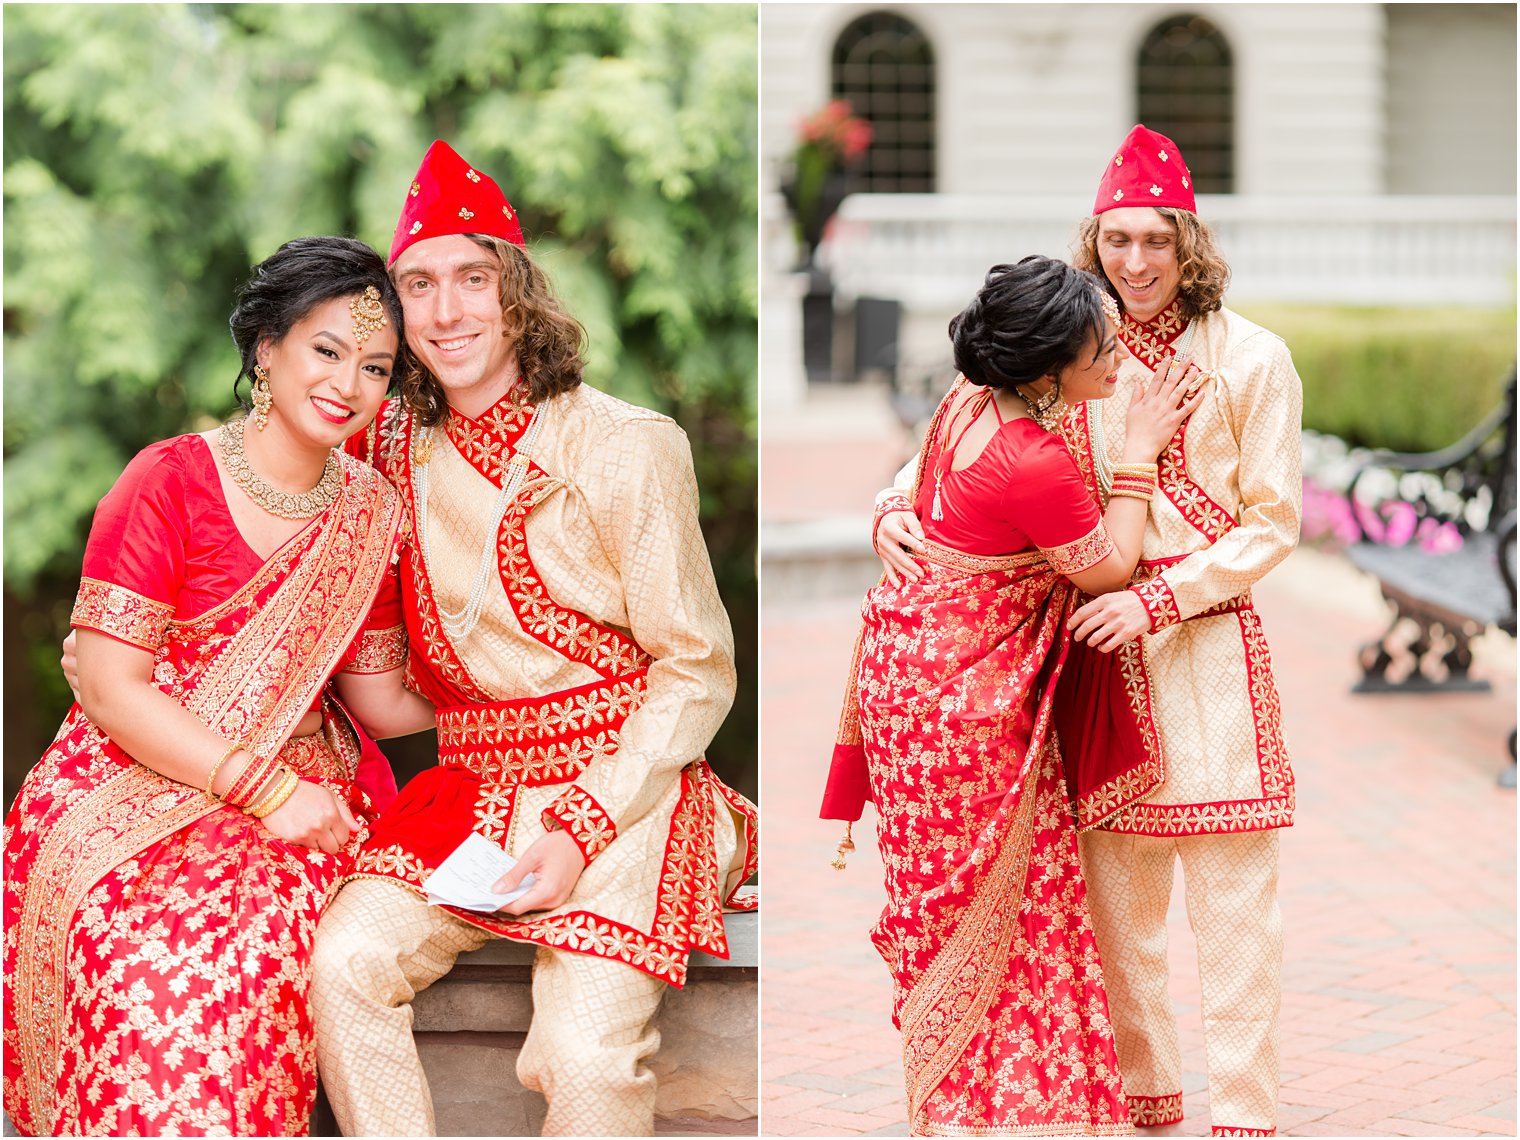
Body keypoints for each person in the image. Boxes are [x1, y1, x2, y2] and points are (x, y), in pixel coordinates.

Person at [308, 140, 759, 1137]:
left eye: (471, 278)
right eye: (417, 286)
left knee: (584, 1063)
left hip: (623, 793)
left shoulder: (625, 445)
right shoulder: (384, 452)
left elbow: (696, 667)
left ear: (515, 290)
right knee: (340, 966)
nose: (447, 311)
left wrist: (583, 826)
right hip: (469, 795)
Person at [874, 125, 1303, 1137]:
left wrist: (1158, 598)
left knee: (1236, 918)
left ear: (1187, 243)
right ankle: (1149, 1110)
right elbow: (959, 439)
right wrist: (891, 509)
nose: (1136, 263)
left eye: (1156, 241)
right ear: (1092, 244)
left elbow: (1271, 522)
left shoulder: (1249, 359)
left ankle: (1244, 1116)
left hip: (1199, 655)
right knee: (1118, 923)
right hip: (1084, 667)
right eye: (1116, 242)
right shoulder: (1069, 352)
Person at [4, 236, 437, 1136]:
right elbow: (115, 689)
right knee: (126, 963)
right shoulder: (167, 479)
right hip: (132, 779)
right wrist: (260, 785)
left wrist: (534, 697)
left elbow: (382, 701)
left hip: (296, 814)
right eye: (326, 350)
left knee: (221, 976)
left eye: (376, 367)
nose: (348, 384)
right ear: (266, 347)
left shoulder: (370, 516)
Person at [824, 255, 1205, 1136]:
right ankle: (997, 1111)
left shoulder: (965, 400)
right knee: (1007, 907)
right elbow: (1108, 567)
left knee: (944, 904)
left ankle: (962, 1106)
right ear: (1045, 372)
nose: (1118, 356)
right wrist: (1139, 454)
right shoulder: (1031, 458)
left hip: (906, 680)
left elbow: (922, 489)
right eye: (1098, 349)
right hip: (962, 706)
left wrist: (887, 508)